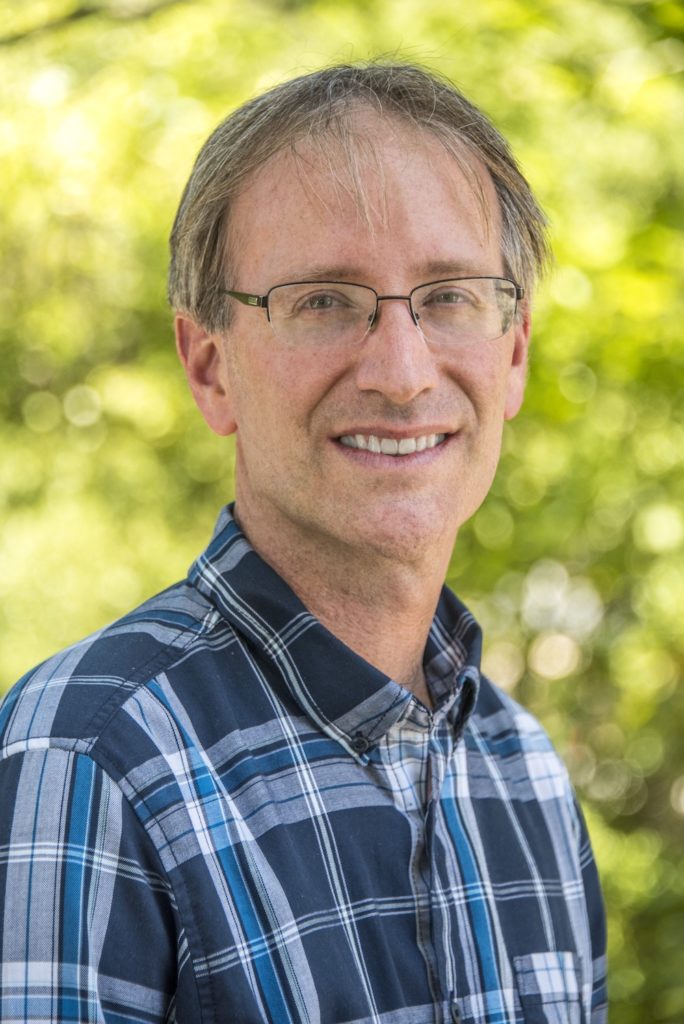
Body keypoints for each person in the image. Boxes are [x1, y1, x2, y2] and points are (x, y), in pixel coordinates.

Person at [0, 62, 606, 1023]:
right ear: (211, 368)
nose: (404, 375)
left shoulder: (526, 777)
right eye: (324, 300)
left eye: (449, 295)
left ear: (515, 350)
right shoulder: (88, 758)